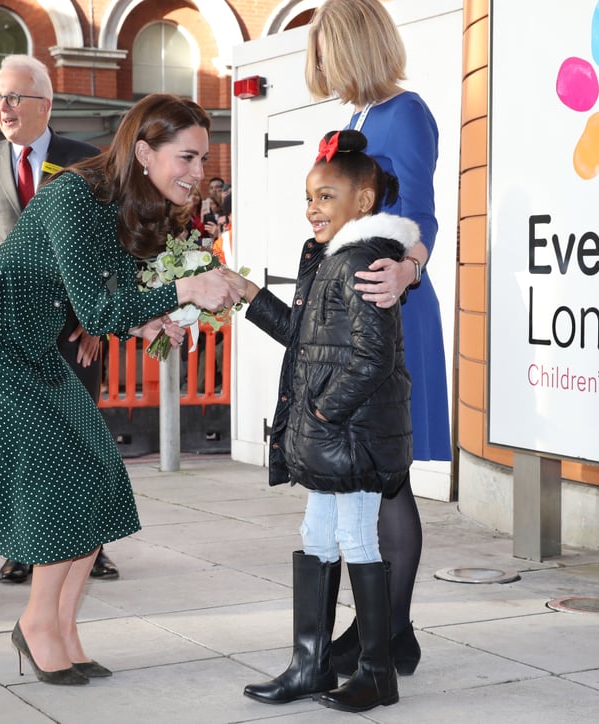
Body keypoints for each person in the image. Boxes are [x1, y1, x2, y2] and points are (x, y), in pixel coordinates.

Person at [0, 93, 243, 685]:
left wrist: (149, 319)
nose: (197, 174)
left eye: (202, 160)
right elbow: (96, 306)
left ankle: (62, 627)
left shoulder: (119, 201)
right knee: (62, 476)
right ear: (144, 152)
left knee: (97, 475)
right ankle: (38, 623)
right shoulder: (76, 194)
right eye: (186, 158)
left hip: (31, 345)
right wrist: (185, 292)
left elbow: (100, 300)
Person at [240, 129, 415, 713]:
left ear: (362, 202)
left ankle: (376, 671)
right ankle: (310, 665)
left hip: (354, 435)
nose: (313, 208)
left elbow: (373, 356)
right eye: (309, 198)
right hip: (331, 437)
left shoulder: (364, 260)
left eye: (326, 196)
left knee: (355, 536)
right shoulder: (328, 259)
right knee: (317, 536)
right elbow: (303, 338)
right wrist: (248, 295)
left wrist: (320, 412)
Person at [305, 0, 452, 676]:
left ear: (356, 46)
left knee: (386, 480)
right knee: (368, 479)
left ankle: (387, 634)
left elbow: (420, 212)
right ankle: (389, 629)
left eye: (328, 48)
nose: (321, 62)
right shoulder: (358, 117)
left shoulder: (406, 112)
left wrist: (408, 268)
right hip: (358, 309)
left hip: (393, 306)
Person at [0, 54, 120, 585]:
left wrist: (97, 317)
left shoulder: (87, 159)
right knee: (16, 439)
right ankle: (23, 546)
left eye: (14, 97)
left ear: (45, 105)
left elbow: (110, 244)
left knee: (78, 435)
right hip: (5, 329)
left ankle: (90, 545)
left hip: (72, 327)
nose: (3, 106)